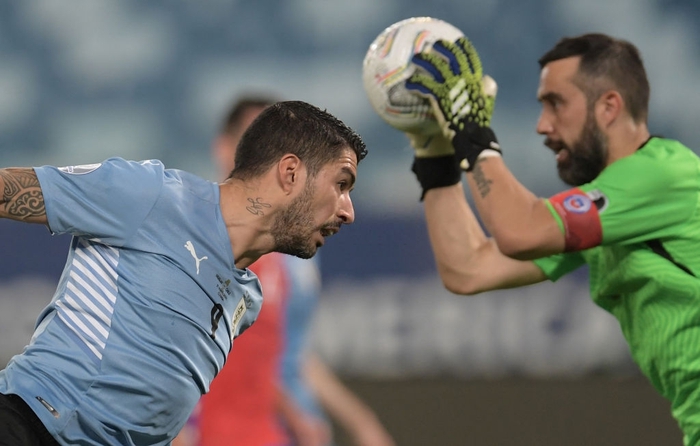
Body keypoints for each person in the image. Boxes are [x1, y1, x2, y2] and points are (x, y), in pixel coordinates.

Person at [0, 100, 367, 446]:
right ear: (290, 172)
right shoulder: (151, 194)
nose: (347, 211)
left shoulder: (248, 299)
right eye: (341, 184)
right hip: (29, 425)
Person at [402, 33, 700, 444]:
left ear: (609, 106)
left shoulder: (663, 177)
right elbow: (469, 268)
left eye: (556, 103)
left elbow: (519, 231)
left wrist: (471, 131)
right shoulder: (611, 206)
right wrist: (437, 158)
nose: (543, 125)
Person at [176, 96, 394, 446]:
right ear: (225, 149)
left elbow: (285, 349)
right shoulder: (195, 243)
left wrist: (352, 420)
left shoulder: (293, 250)